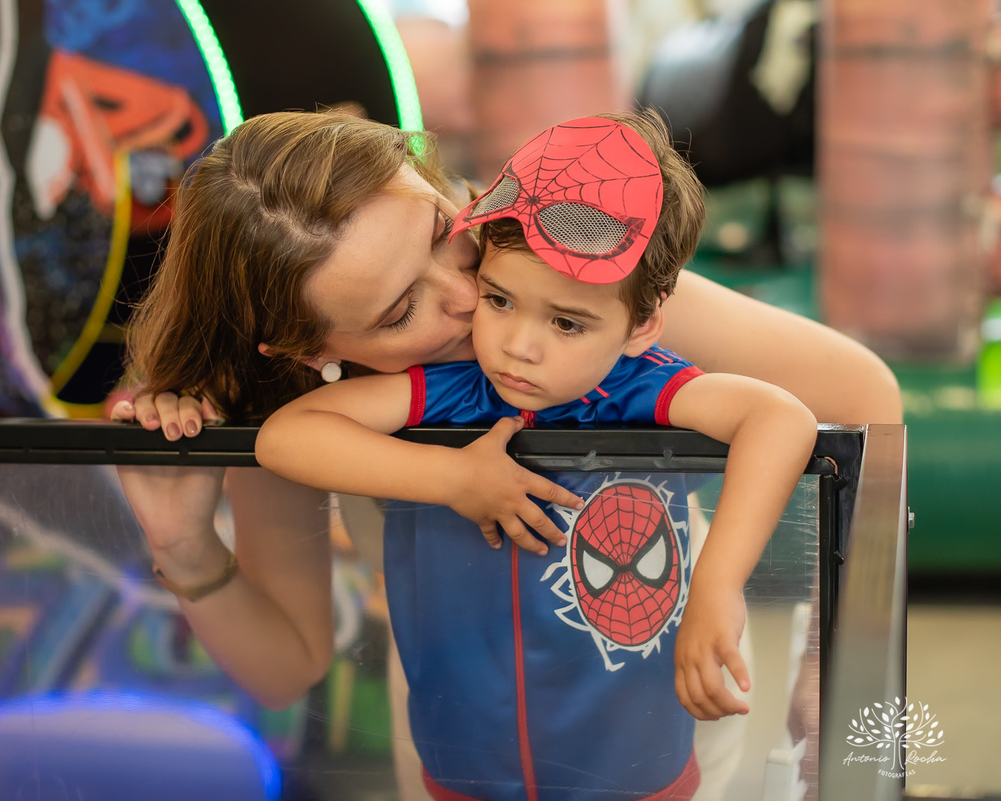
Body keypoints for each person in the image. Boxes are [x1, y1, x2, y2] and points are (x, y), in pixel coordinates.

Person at [110, 109, 901, 795]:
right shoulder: (300, 408)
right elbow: (288, 664)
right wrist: (184, 545)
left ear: (429, 177)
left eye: (437, 233)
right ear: (305, 351)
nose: (466, 297)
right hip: (468, 735)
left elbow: (862, 397)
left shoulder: (566, 264)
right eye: (397, 313)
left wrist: (830, 667)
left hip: (654, 720)